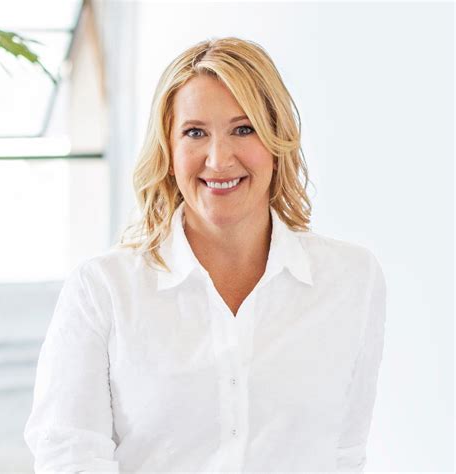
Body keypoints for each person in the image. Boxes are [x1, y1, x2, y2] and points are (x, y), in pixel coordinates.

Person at [24, 36, 387, 473]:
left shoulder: (352, 278)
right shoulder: (102, 289)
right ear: (168, 150)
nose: (218, 159)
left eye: (243, 129)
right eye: (195, 133)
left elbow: (344, 453)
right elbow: (69, 456)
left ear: (277, 141)